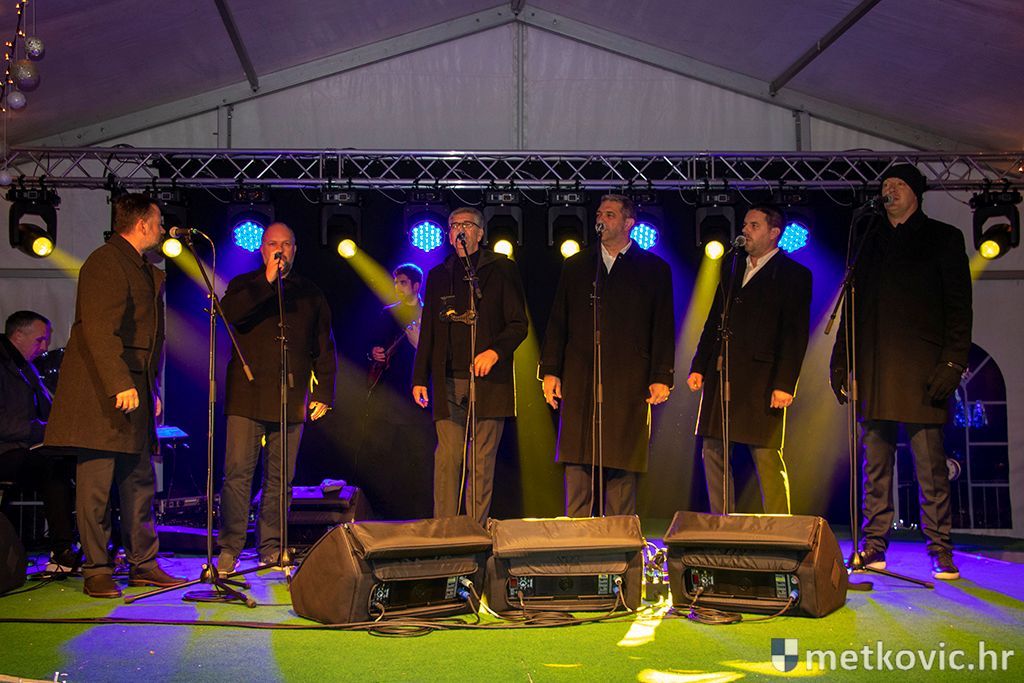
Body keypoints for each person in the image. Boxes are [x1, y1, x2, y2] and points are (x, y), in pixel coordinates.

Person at [830, 164, 971, 580]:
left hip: (924, 368)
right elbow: (851, 306)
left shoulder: (943, 237)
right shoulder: (869, 239)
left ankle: (940, 547)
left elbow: (959, 307)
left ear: (915, 192)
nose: (888, 189)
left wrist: (952, 362)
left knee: (930, 466)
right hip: (876, 366)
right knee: (875, 465)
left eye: (898, 184)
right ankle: (874, 544)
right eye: (885, 184)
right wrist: (841, 360)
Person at [43, 193, 182, 598]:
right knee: (96, 487)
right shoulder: (106, 261)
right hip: (102, 393)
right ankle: (97, 568)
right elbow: (99, 329)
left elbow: (147, 340)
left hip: (133, 388)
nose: (162, 229)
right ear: (142, 224)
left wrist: (150, 388)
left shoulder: (142, 267)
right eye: (158, 221)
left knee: (138, 480)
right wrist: (120, 382)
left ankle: (143, 564)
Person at [540, 194, 675, 517]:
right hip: (581, 374)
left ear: (629, 223)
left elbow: (663, 326)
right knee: (578, 457)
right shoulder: (578, 265)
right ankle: (576, 537)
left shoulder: (654, 268)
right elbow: (558, 321)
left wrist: (661, 376)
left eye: (610, 215)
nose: (601, 219)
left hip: (629, 377)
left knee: (621, 458)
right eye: (600, 214)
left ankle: (618, 538)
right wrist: (550, 371)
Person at [216, 222, 337, 574]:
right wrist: (267, 281)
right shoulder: (243, 285)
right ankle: (230, 547)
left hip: (290, 396)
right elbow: (231, 315)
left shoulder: (311, 293)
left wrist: (324, 392)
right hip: (246, 396)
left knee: (281, 479)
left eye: (286, 244)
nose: (279, 251)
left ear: (295, 249)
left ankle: (271, 546)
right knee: (238, 474)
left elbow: (324, 346)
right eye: (272, 244)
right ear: (262, 249)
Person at [687, 205, 812, 515]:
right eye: (745, 224)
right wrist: (699, 366)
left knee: (766, 454)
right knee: (713, 448)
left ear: (774, 233)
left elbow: (795, 334)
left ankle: (780, 527)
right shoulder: (732, 266)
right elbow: (714, 321)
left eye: (754, 225)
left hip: (763, 378)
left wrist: (785, 383)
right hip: (724, 371)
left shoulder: (794, 275)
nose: (745, 230)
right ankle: (723, 521)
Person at [412, 207, 528, 528]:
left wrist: (494, 352)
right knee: (448, 457)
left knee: (481, 461)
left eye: (465, 225)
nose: (458, 230)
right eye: (453, 225)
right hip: (448, 380)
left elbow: (518, 324)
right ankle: (445, 530)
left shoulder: (501, 269)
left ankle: (474, 530)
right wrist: (419, 377)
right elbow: (428, 330)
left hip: (489, 382)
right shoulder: (439, 274)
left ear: (479, 232)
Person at [0, 311, 79, 571]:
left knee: (76, 463)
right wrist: (41, 430)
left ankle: (81, 544)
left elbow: (47, 411)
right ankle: (62, 550)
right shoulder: (8, 367)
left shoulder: (25, 367)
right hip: (6, 452)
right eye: (39, 340)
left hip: (23, 448)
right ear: (17, 336)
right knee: (52, 469)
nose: (44, 347)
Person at [359, 264, 433, 519]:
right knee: (385, 455)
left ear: (416, 285)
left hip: (416, 394)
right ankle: (385, 514)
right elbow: (368, 346)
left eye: (402, 282)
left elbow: (435, 355)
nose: (397, 287)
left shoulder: (429, 314)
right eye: (395, 282)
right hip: (388, 393)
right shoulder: (387, 313)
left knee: (416, 454)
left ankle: (416, 512)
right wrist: (374, 352)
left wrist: (419, 345)